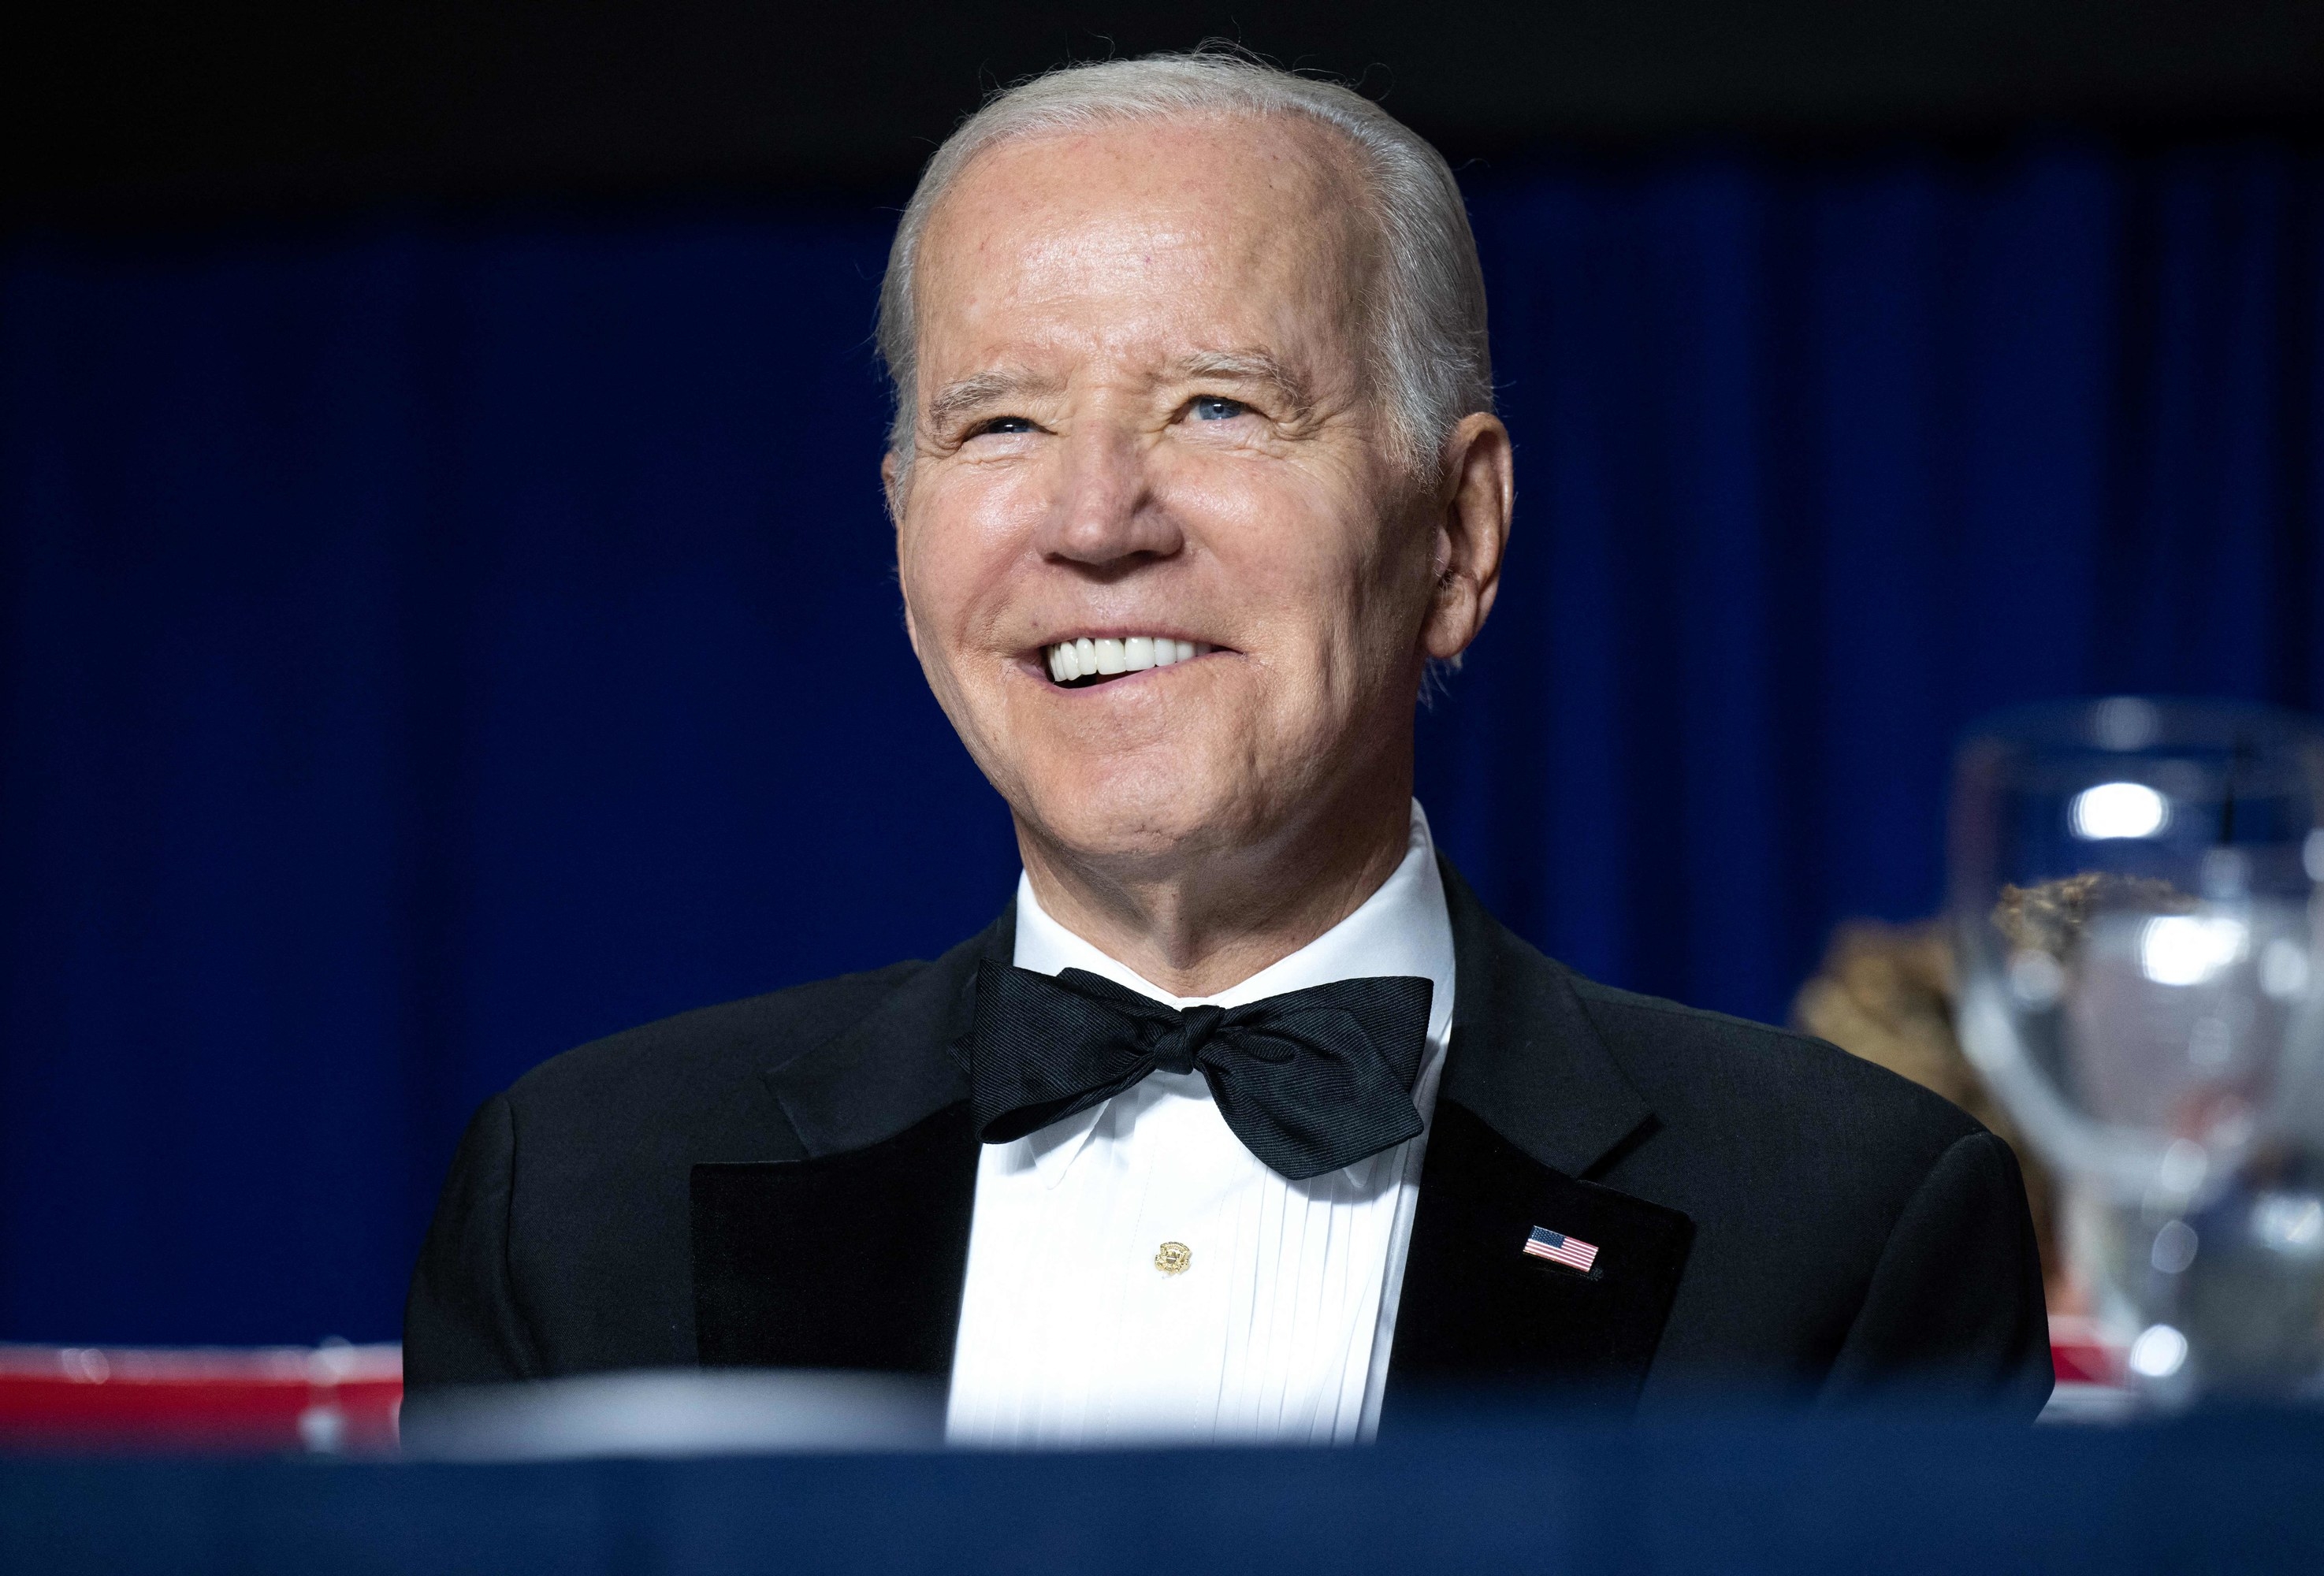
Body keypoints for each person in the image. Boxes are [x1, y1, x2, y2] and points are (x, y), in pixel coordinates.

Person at [406, 49, 2052, 1441]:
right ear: (906, 538)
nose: (1096, 518)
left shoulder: (1845, 1225)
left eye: (1217, 406)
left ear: (1459, 534)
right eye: (1003, 422)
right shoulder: (577, 1200)